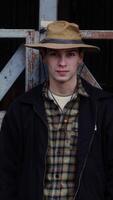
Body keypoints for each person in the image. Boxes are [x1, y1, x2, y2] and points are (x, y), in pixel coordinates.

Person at [0, 20, 113, 200]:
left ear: (80, 57)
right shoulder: (21, 109)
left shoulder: (104, 108)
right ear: (44, 56)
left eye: (70, 54)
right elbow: (6, 173)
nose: (62, 63)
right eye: (54, 54)